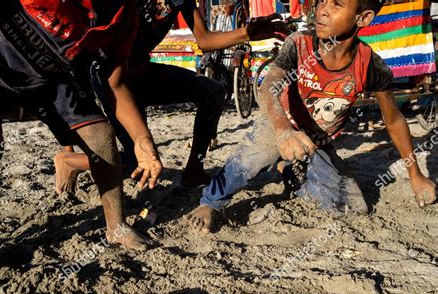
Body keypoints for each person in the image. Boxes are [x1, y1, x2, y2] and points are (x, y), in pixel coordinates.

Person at [186, 0, 437, 233]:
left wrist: (416, 175)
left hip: (317, 141)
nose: (323, 10)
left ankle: (288, 171)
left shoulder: (370, 64)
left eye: (336, 4)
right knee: (247, 162)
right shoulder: (300, 43)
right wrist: (283, 131)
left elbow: (393, 120)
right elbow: (267, 87)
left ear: (363, 18)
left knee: (350, 208)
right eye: (322, 1)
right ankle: (211, 201)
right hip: (279, 124)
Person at [0, 0, 162, 250]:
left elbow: (115, 83)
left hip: (43, 75)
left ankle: (116, 228)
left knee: (100, 136)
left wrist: (141, 138)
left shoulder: (123, 16)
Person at [54, 0, 291, 194]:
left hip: (144, 74)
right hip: (113, 79)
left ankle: (193, 170)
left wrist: (249, 33)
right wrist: (68, 144)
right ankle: (71, 162)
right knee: (135, 163)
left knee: (213, 92)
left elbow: (205, 40)